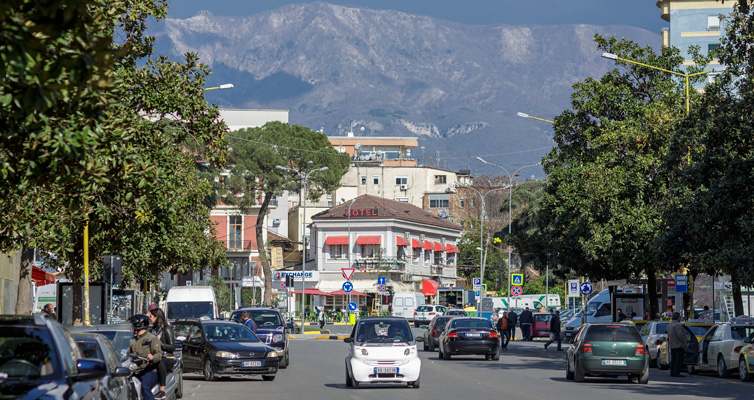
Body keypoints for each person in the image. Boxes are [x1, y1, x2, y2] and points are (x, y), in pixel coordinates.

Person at [128, 314, 162, 400]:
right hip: (134, 370)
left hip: (149, 370)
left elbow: (159, 355)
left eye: (133, 324)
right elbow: (126, 352)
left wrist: (152, 357)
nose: (132, 326)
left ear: (139, 324)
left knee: (145, 387)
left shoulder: (152, 338)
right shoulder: (133, 339)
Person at [148, 307, 175, 400]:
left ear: (156, 317)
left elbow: (172, 347)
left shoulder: (166, 329)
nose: (149, 319)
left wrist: (159, 344)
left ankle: (162, 390)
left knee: (160, 362)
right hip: (155, 356)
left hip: (167, 358)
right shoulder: (153, 330)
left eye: (150, 317)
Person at [667, 312, 688, 377]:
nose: (680, 318)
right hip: (679, 345)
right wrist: (684, 342)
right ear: (677, 318)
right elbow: (680, 335)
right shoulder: (678, 325)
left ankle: (672, 372)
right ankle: (676, 372)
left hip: (672, 345)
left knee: (673, 359)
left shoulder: (669, 325)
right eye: (680, 317)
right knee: (678, 360)